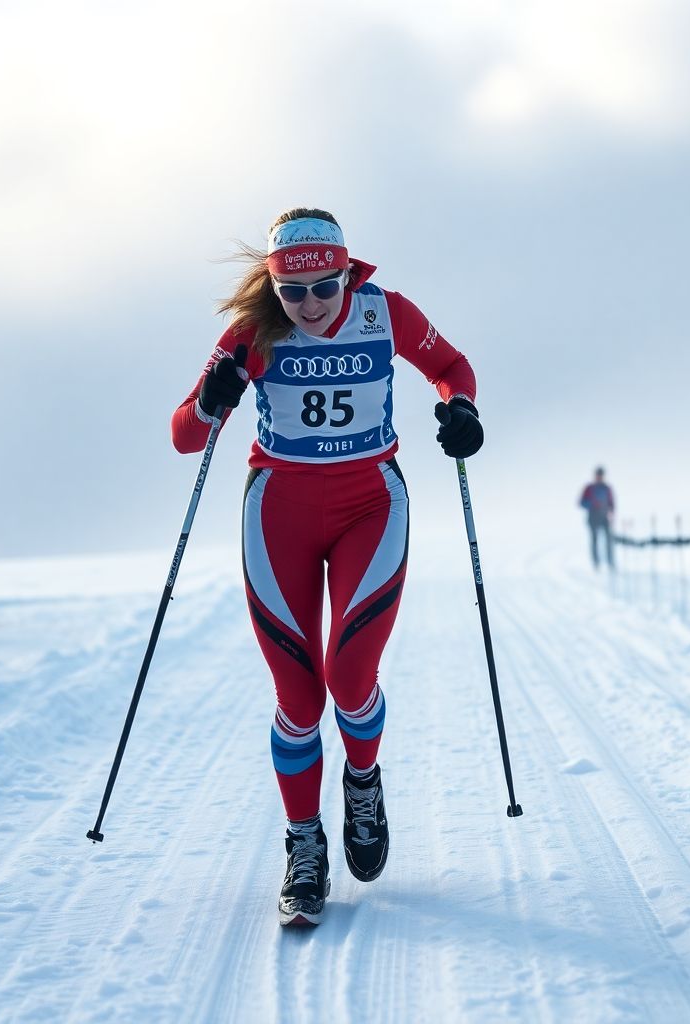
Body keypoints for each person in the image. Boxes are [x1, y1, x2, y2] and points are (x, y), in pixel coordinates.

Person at [171, 209, 482, 927]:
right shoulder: (254, 332)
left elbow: (450, 367)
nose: (311, 305)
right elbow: (185, 436)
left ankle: (363, 780)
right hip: (276, 508)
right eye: (293, 292)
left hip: (369, 505)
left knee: (349, 677)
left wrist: (460, 407)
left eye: (325, 286)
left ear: (349, 271)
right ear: (274, 287)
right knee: (298, 696)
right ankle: (304, 844)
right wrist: (211, 400)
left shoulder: (385, 314)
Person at [579, 466, 615, 570]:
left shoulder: (607, 489)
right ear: (595, 476)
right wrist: (592, 504)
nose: (599, 477)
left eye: (601, 475)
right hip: (593, 517)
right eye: (598, 475)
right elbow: (581, 503)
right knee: (594, 540)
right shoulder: (589, 488)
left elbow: (612, 503)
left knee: (609, 540)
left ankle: (610, 562)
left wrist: (611, 513)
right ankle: (596, 563)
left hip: (605, 518)